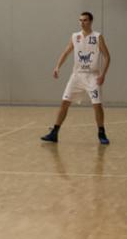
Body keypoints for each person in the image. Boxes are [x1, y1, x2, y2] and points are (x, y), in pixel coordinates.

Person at [41, 12, 111, 145]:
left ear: (90, 21)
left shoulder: (97, 37)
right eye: (80, 20)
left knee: (97, 104)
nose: (82, 23)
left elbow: (107, 56)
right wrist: (57, 67)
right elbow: (66, 52)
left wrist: (103, 74)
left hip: (92, 76)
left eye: (85, 20)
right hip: (77, 75)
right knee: (64, 102)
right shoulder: (75, 36)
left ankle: (101, 132)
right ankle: (54, 132)